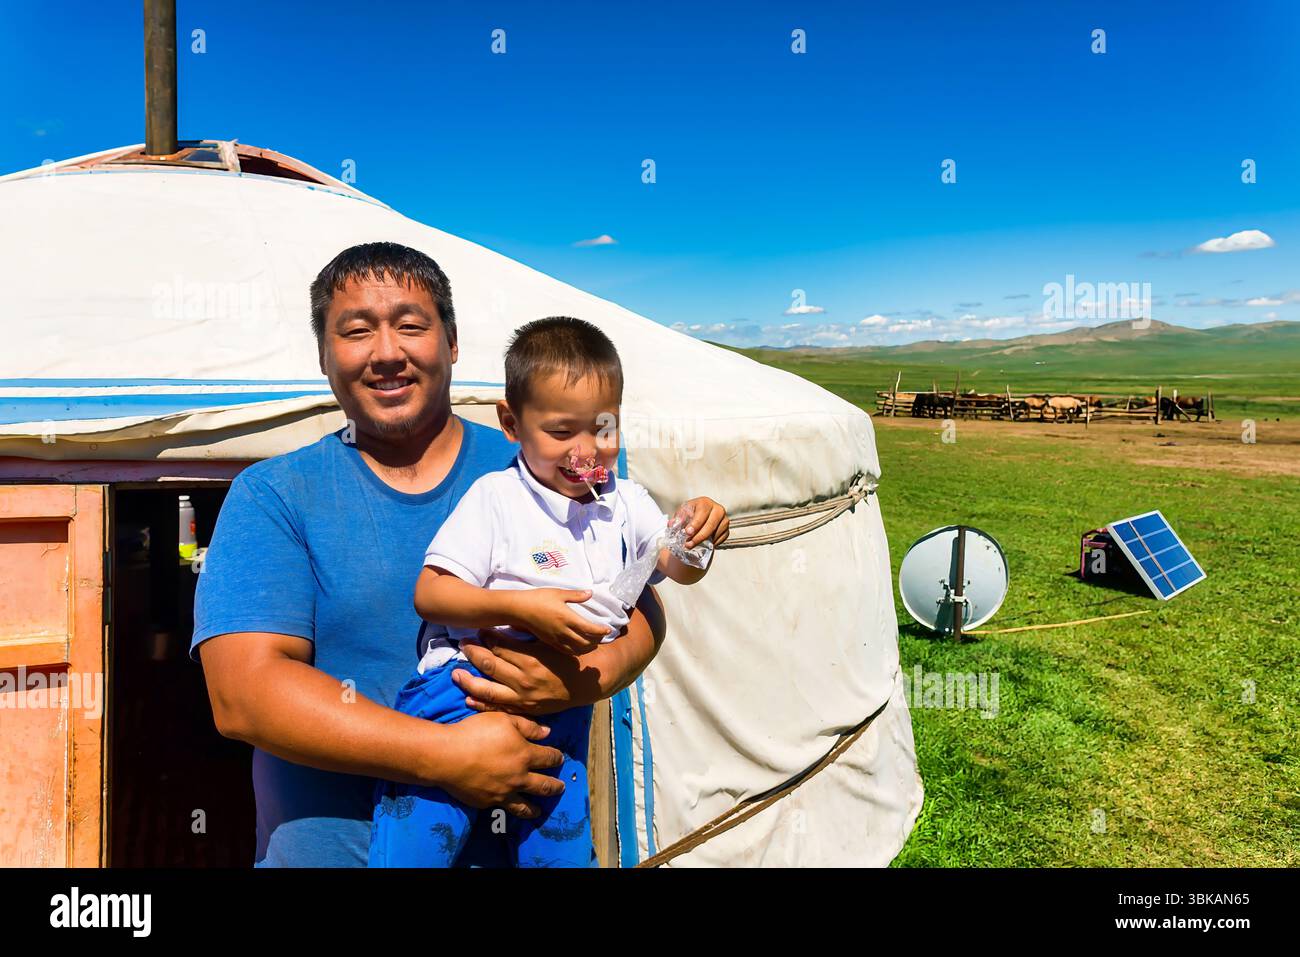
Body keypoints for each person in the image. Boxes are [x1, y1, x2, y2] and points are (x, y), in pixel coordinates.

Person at [191, 243, 666, 867]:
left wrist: (582, 680)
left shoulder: (540, 465)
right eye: (356, 332)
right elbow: (244, 694)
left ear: (452, 343)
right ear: (324, 356)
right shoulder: (276, 494)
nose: (387, 353)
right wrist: (445, 756)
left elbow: (639, 604)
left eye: (411, 326)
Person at [369, 317, 729, 867]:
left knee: (559, 854)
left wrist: (699, 535)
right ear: (511, 423)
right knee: (416, 849)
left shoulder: (627, 503)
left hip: (561, 708)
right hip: (460, 693)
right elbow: (431, 594)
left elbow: (672, 568)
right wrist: (518, 607)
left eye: (604, 429)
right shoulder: (496, 498)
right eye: (562, 432)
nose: (586, 451)